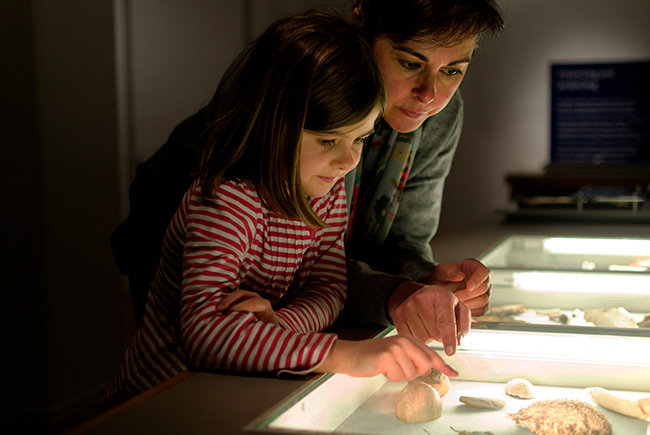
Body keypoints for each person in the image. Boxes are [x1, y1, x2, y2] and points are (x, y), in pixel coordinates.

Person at [103, 10, 458, 407]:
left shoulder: (326, 194)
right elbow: (205, 338)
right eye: (327, 141)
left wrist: (278, 324)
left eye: (359, 140)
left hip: (236, 388)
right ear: (272, 125)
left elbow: (331, 288)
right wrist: (340, 354)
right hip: (163, 399)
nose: (347, 163)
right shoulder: (225, 200)